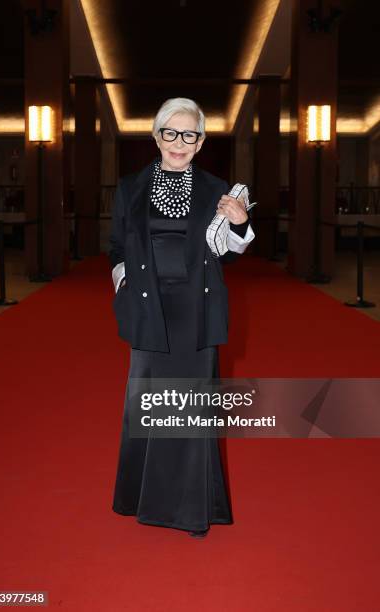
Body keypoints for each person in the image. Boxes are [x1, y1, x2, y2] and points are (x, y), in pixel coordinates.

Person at [108, 97, 255, 538]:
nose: (178, 142)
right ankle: (138, 496)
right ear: (156, 137)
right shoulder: (129, 187)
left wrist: (241, 223)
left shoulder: (217, 189)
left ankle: (190, 509)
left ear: (201, 142)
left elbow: (227, 253)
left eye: (189, 134)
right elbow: (117, 246)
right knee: (147, 403)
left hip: (196, 307)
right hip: (149, 307)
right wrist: (125, 286)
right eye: (170, 132)